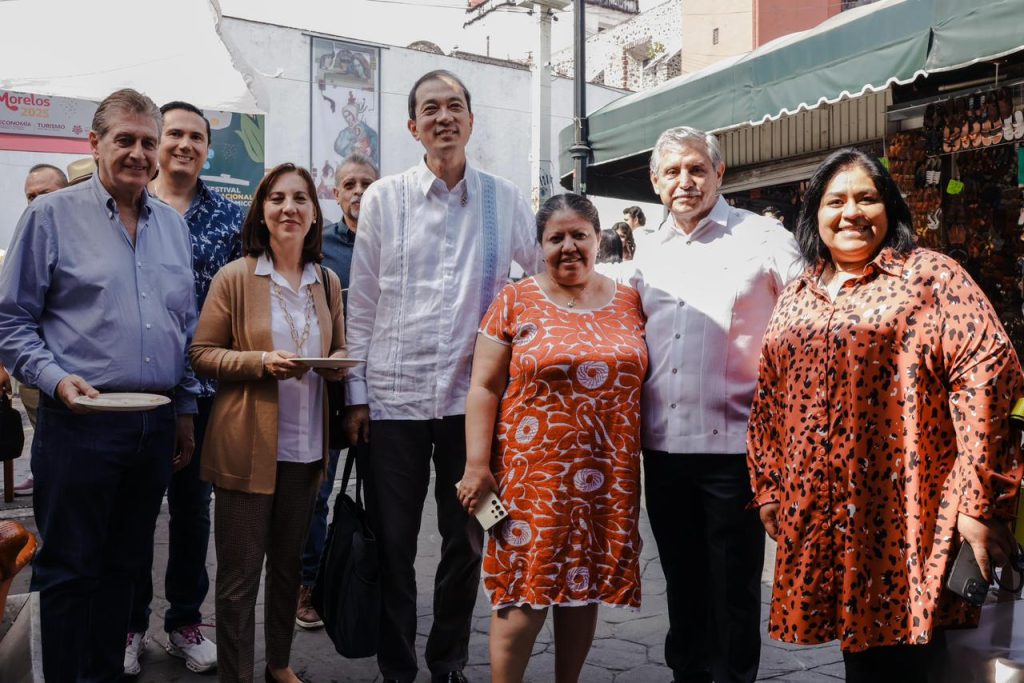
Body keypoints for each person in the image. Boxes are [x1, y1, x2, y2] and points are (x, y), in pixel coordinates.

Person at [747, 148, 1024, 681]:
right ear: (815, 214)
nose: (851, 212)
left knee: (913, 660)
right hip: (824, 520)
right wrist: (769, 487)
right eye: (836, 201)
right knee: (862, 659)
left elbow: (990, 379)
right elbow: (770, 400)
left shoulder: (931, 277)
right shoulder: (798, 294)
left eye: (866, 198)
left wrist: (980, 501)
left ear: (890, 208)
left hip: (911, 519)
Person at [344, 69, 540, 683]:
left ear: (471, 121)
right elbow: (362, 302)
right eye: (431, 108)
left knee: (469, 538)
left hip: (473, 407)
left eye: (455, 106)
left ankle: (448, 660)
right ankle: (397, 668)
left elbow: (539, 284)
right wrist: (356, 396)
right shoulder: (384, 199)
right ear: (413, 127)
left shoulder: (505, 200)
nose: (444, 117)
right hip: (394, 401)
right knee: (393, 544)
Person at [0, 88, 200, 681]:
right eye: (125, 140)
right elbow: (11, 319)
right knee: (69, 571)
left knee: (125, 570)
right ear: (94, 143)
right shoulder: (51, 216)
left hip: (152, 423)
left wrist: (183, 411)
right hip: (79, 422)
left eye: (147, 142)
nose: (139, 153)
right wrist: (57, 381)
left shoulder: (172, 227)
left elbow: (182, 325)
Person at [625, 125, 802, 683]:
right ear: (655, 182)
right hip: (663, 450)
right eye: (672, 171)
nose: (686, 181)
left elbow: (807, 324)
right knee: (682, 582)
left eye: (697, 169)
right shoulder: (645, 252)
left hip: (736, 450)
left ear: (719, 173)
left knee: (732, 588)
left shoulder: (763, 238)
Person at [458, 193, 647, 682]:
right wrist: (477, 465)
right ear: (540, 244)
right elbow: (483, 387)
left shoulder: (629, 300)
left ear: (598, 238)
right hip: (530, 480)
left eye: (579, 235)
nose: (568, 247)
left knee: (583, 588)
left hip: (607, 478)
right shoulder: (514, 300)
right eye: (555, 237)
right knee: (523, 592)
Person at [190, 162, 346, 683]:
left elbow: (338, 346)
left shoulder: (327, 281)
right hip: (247, 448)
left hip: (307, 448)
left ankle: (279, 664)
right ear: (261, 211)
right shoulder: (236, 277)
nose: (289, 208)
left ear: (315, 214)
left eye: (300, 198)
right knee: (238, 578)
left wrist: (338, 362)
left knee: (287, 567)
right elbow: (202, 353)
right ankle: (237, 675)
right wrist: (260, 362)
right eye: (277, 198)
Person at [123, 100, 243, 676]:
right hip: (137, 390)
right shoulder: (127, 207)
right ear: (157, 140)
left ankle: (184, 622)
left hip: (208, 396)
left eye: (197, 137)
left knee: (193, 513)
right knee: (134, 512)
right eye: (174, 133)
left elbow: (243, 304)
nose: (184, 145)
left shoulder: (231, 219)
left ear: (207, 150)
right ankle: (129, 625)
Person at [295, 152, 378, 630]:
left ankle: (370, 584)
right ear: (336, 192)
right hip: (326, 393)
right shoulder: (319, 248)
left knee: (379, 497)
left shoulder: (393, 243)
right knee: (316, 495)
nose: (359, 191)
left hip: (381, 392)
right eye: (350, 184)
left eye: (367, 183)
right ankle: (309, 584)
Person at [8, 164, 70, 497]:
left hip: (79, 376)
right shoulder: (29, 233)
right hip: (37, 372)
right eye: (30, 196)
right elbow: (11, 312)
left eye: (44, 193)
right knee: (47, 445)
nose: (36, 202)